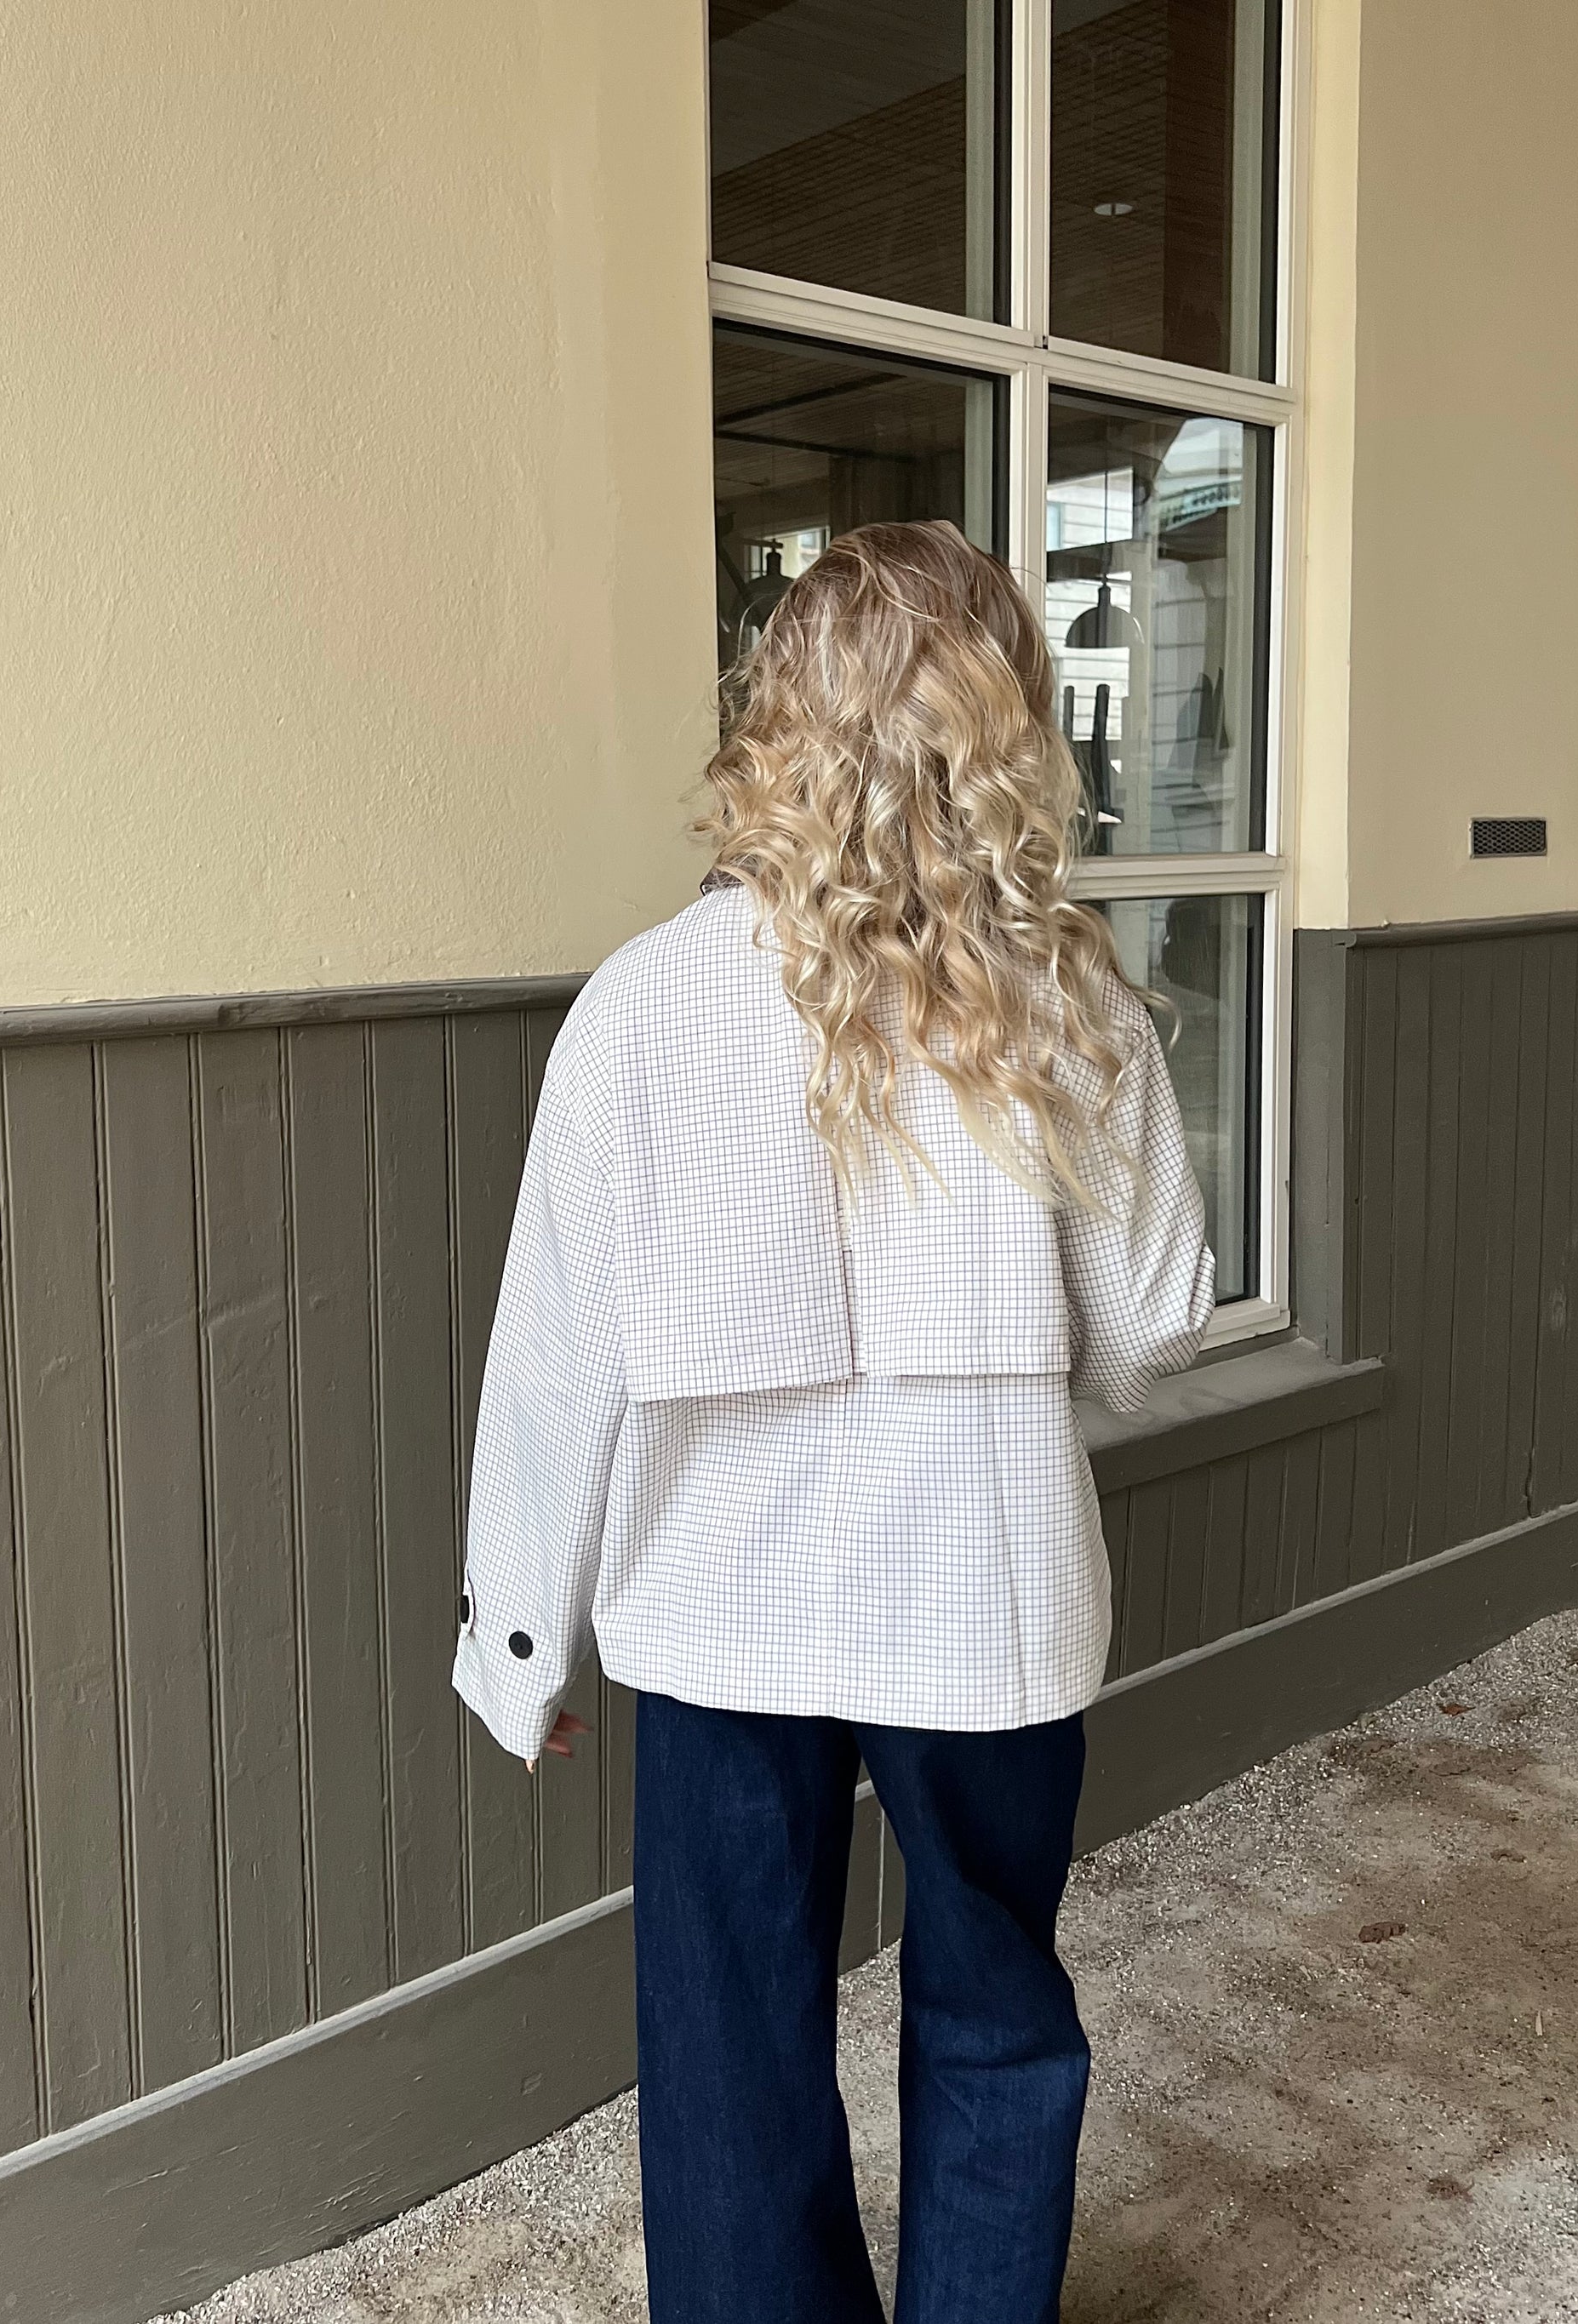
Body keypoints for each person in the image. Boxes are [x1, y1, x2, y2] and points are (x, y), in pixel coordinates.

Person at [452, 518, 1216, 2324]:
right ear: (1002, 721)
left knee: (730, 2040)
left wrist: (521, 1642)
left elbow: (556, 1350)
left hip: (720, 1595)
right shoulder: (1071, 1006)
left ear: (775, 717)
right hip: (983, 1593)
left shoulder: (642, 1004)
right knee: (994, 2013)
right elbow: (1146, 1337)